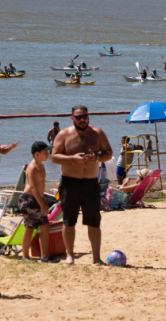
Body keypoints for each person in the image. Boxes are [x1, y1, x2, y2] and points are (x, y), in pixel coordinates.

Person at [51, 105, 113, 265]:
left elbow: (109, 153)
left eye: (84, 116)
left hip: (91, 183)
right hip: (70, 182)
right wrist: (73, 159)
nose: (82, 119)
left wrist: (98, 158)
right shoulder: (64, 134)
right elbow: (54, 157)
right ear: (72, 118)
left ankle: (96, 258)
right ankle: (70, 256)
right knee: (69, 221)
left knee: (94, 221)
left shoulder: (97, 133)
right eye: (78, 117)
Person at [20, 141, 56, 262]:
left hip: (39, 198)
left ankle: (45, 256)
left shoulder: (41, 166)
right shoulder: (32, 167)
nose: (48, 154)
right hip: (29, 200)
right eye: (45, 152)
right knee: (29, 228)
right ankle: (25, 256)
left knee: (45, 227)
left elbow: (41, 187)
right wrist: (42, 204)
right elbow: (33, 187)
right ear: (37, 154)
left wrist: (44, 201)